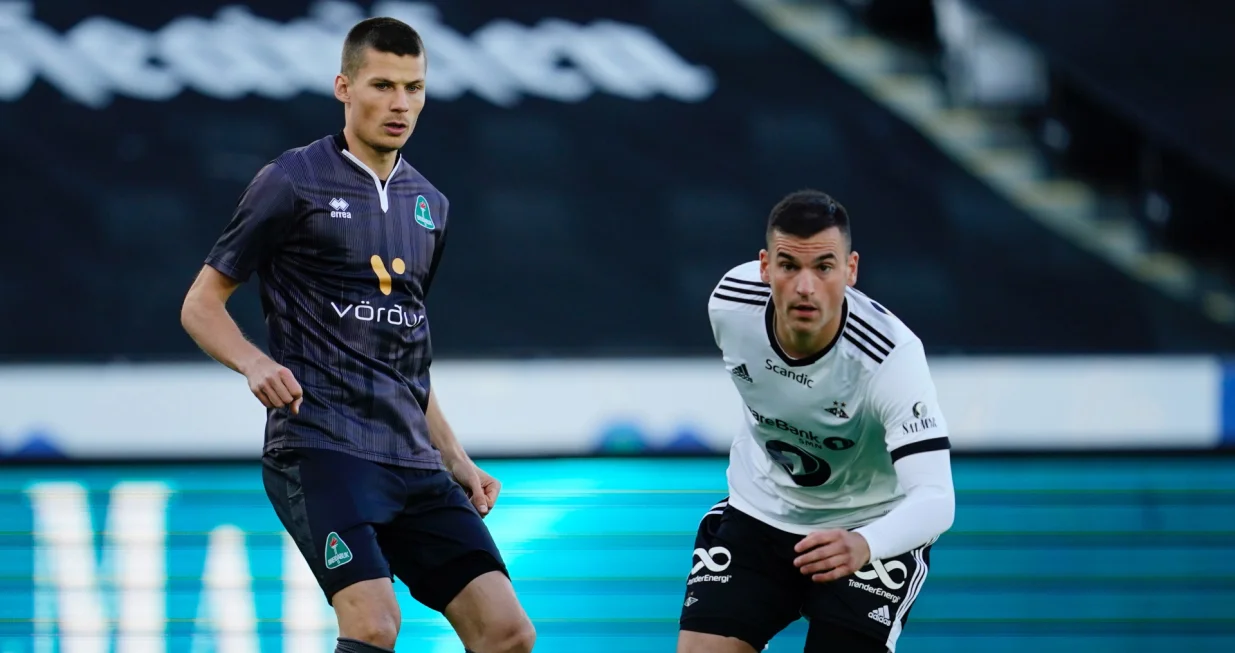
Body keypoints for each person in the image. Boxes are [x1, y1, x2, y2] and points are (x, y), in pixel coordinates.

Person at [179, 17, 535, 653]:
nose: (400, 104)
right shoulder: (292, 180)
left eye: (414, 88)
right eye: (383, 85)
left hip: (412, 459)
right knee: (373, 625)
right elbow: (201, 305)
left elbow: (403, 355)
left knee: (507, 632)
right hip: (323, 448)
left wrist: (455, 459)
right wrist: (255, 364)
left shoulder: (431, 205)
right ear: (344, 87)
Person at [677, 190, 956, 653]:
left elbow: (936, 498)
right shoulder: (730, 305)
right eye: (789, 266)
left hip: (864, 529)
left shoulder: (890, 357)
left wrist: (866, 543)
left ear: (850, 270)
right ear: (765, 267)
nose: (805, 286)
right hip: (759, 514)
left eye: (824, 267)